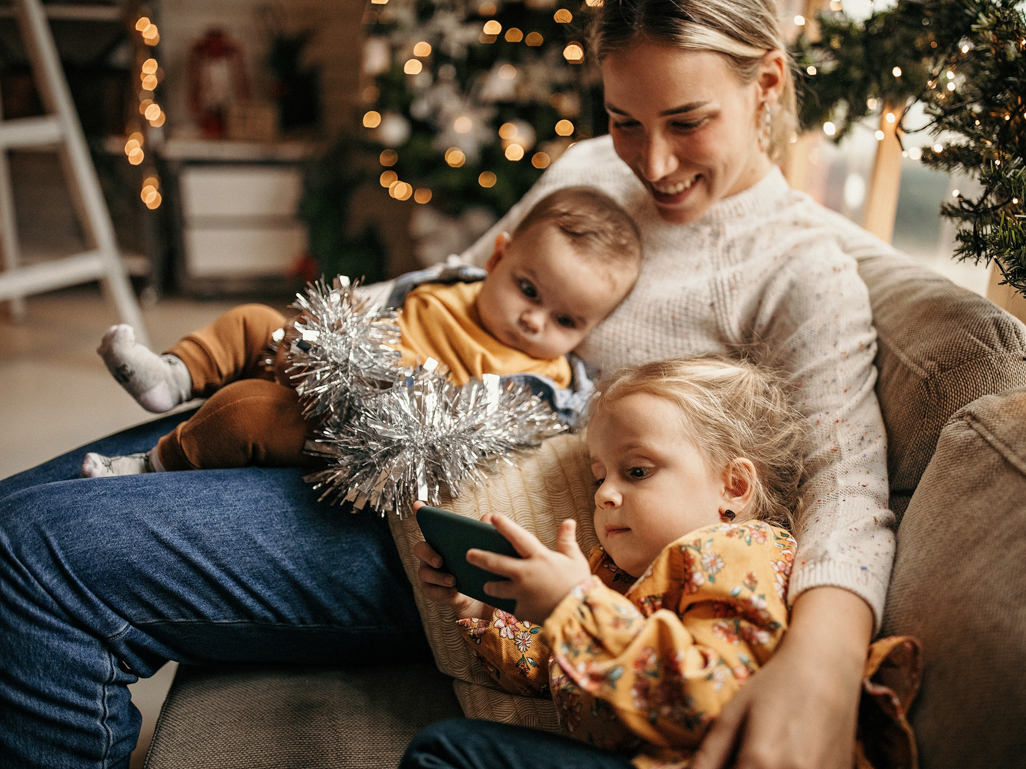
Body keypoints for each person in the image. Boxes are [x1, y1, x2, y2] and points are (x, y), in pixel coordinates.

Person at [0, 0, 897, 766]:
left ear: (768, 84)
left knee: (29, 559)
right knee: (13, 511)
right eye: (626, 118)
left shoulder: (799, 269)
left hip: (451, 539)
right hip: (369, 416)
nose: (651, 163)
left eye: (688, 121)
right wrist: (311, 337)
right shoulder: (589, 167)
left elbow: (848, 478)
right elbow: (455, 283)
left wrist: (820, 660)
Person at [405, 358, 917, 769]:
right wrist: (479, 604)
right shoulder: (613, 576)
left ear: (733, 487)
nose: (605, 494)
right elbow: (552, 669)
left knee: (449, 750)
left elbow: (711, 698)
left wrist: (573, 605)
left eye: (637, 470)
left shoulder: (738, 553)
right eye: (598, 477)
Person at [80, 186, 642, 476]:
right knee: (251, 320)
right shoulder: (449, 285)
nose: (534, 320)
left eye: (566, 321)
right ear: (497, 259)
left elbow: (467, 431)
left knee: (246, 410)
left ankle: (152, 466)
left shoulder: (542, 383)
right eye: (529, 290)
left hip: (358, 428)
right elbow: (375, 304)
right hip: (327, 357)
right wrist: (328, 325)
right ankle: (171, 376)